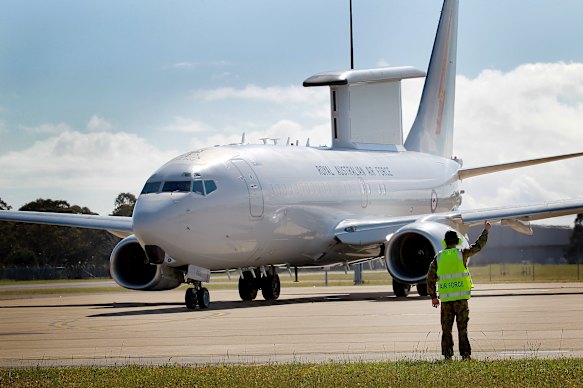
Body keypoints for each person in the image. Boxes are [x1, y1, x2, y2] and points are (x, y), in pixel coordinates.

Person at [426, 221, 491, 361]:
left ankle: (448, 356)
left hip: (446, 301)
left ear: (445, 242)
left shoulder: (439, 257)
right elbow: (478, 246)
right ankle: (466, 356)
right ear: (457, 242)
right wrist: (486, 230)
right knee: (462, 329)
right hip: (461, 300)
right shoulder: (462, 254)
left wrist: (433, 297)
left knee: (446, 330)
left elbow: (430, 278)